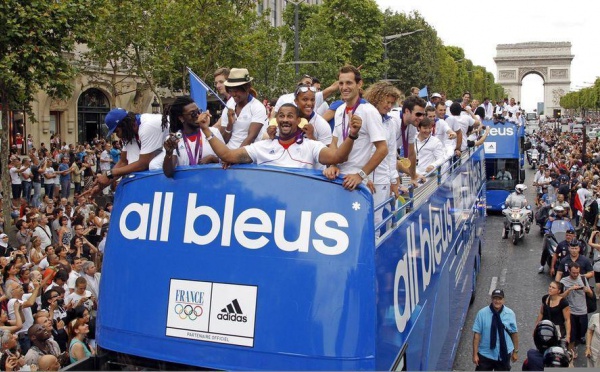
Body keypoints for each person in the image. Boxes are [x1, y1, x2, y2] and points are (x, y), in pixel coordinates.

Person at [199, 104, 359, 170]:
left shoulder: (311, 146)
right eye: (281, 116)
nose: (285, 119)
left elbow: (337, 157)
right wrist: (206, 130)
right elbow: (227, 155)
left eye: (290, 116)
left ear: (298, 121)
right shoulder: (262, 146)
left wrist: (352, 135)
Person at [323, 65, 388, 191]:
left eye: (349, 83)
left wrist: (361, 175)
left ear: (359, 84)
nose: (344, 87)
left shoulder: (369, 111)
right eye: (341, 83)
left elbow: (383, 149)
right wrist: (333, 164)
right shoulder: (340, 109)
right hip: (337, 178)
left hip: (355, 182)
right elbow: (334, 141)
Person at [92, 106, 169, 193]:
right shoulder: (130, 131)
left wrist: (110, 173)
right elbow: (123, 162)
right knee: (133, 161)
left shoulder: (147, 126)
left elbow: (143, 164)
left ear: (124, 125)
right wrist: (100, 186)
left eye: (117, 131)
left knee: (154, 166)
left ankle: (163, 190)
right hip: (163, 148)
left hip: (181, 142)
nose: (118, 136)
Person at [154, 96, 223, 177]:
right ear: (181, 118)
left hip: (212, 183)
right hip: (188, 187)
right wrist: (169, 153)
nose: (198, 115)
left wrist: (212, 159)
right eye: (193, 113)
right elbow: (169, 173)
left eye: (198, 111)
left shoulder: (213, 132)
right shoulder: (174, 139)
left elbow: (226, 160)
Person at [219, 68, 267, 150]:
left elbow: (251, 138)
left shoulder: (257, 107)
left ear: (247, 88)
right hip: (228, 155)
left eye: (237, 90)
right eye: (230, 90)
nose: (233, 94)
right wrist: (230, 124)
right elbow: (223, 140)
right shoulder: (230, 103)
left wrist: (233, 157)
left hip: (248, 155)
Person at [472, 289, 519, 370]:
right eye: (495, 298)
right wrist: (475, 354)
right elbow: (477, 335)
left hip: (503, 353)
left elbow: (514, 333)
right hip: (485, 354)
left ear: (503, 300)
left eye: (500, 299)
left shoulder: (510, 314)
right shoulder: (482, 313)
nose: (497, 301)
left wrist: (515, 352)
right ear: (492, 299)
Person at [560, 262, 594, 358]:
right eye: (573, 273)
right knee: (571, 334)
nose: (575, 275)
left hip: (582, 311)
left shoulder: (583, 279)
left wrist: (588, 291)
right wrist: (569, 289)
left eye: (577, 273)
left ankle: (574, 346)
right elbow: (560, 296)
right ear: (569, 271)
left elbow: (591, 295)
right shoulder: (564, 281)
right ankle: (570, 352)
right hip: (570, 312)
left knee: (581, 333)